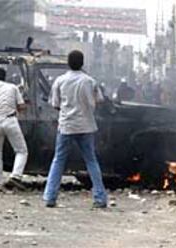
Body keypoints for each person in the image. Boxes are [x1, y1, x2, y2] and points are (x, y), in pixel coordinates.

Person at [43, 50, 107, 208]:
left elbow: (55, 104)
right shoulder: (90, 81)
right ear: (82, 63)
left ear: (68, 63)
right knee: (91, 161)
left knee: (58, 160)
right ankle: (100, 198)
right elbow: (100, 100)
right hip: (86, 126)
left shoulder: (60, 80)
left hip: (66, 126)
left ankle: (50, 197)